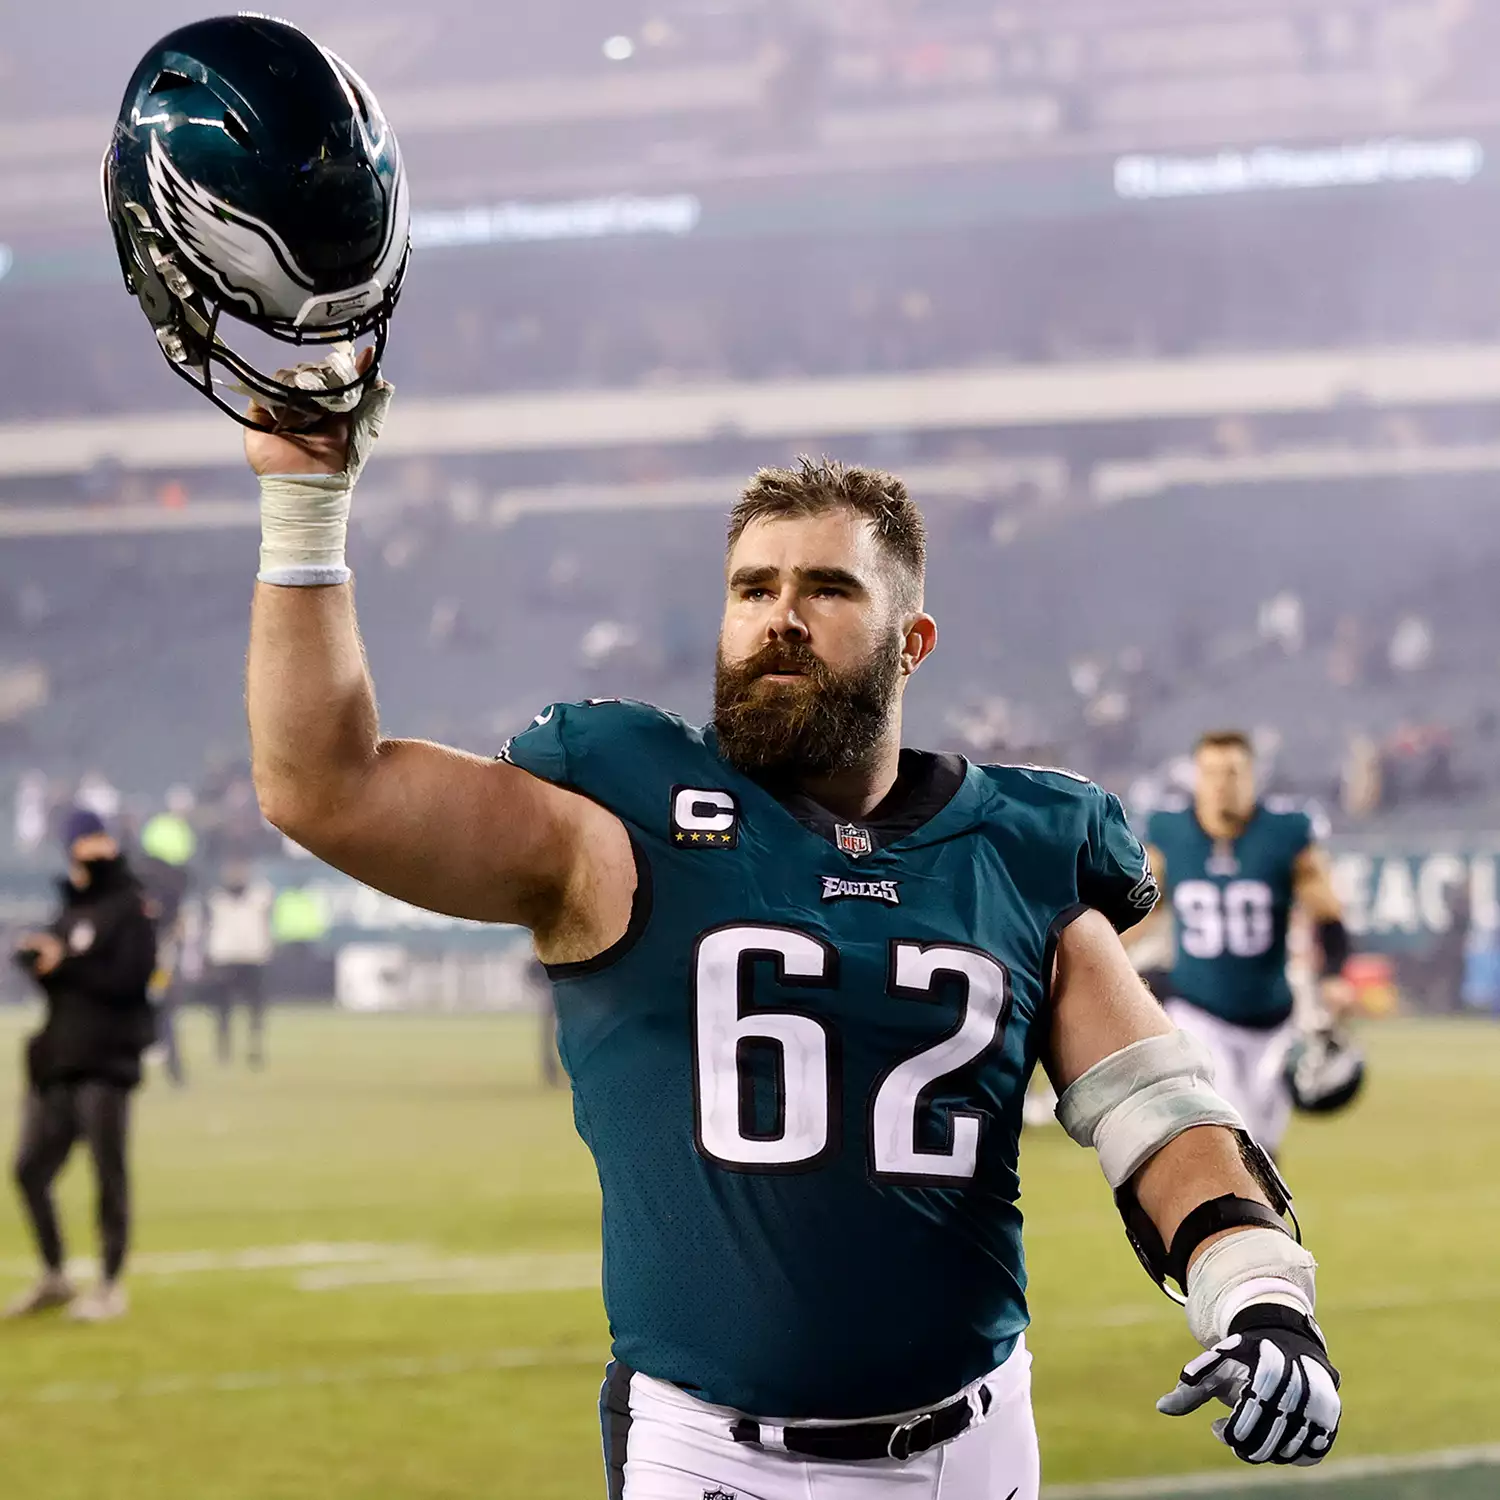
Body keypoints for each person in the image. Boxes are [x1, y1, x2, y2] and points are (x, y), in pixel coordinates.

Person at [239, 375, 1343, 1494]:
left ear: (910, 641)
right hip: (711, 1457)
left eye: (825, 589)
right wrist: (305, 504)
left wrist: (1257, 1293)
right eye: (752, 587)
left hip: (972, 1447)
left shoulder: (1021, 844)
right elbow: (323, 790)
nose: (780, 614)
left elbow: (1158, 1113)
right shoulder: (620, 815)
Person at [1136, 732, 1356, 1158]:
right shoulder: (1169, 833)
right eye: (1211, 772)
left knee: (1264, 1148)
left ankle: (1261, 1222)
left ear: (1251, 777)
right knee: (1231, 1133)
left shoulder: (1286, 833)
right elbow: (1142, 911)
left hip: (1273, 1020)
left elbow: (1328, 915)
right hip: (1199, 1009)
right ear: (1196, 778)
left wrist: (1332, 976)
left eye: (1232, 772)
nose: (1221, 783)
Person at [6, 809, 157, 1322]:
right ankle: (55, 1275)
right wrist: (39, 962)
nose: (91, 849)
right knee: (29, 1171)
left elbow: (131, 982)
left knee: (106, 1174)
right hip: (59, 1060)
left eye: (97, 838)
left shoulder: (131, 908)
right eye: (83, 839)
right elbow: (63, 981)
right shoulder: (70, 911)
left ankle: (111, 1285)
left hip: (105, 1061)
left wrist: (64, 964)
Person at [204, 862, 275, 1068]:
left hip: (253, 957)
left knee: (255, 1009)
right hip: (225, 958)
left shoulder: (260, 896)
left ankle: (254, 1049)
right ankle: (224, 1051)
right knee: (224, 1010)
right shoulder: (216, 898)